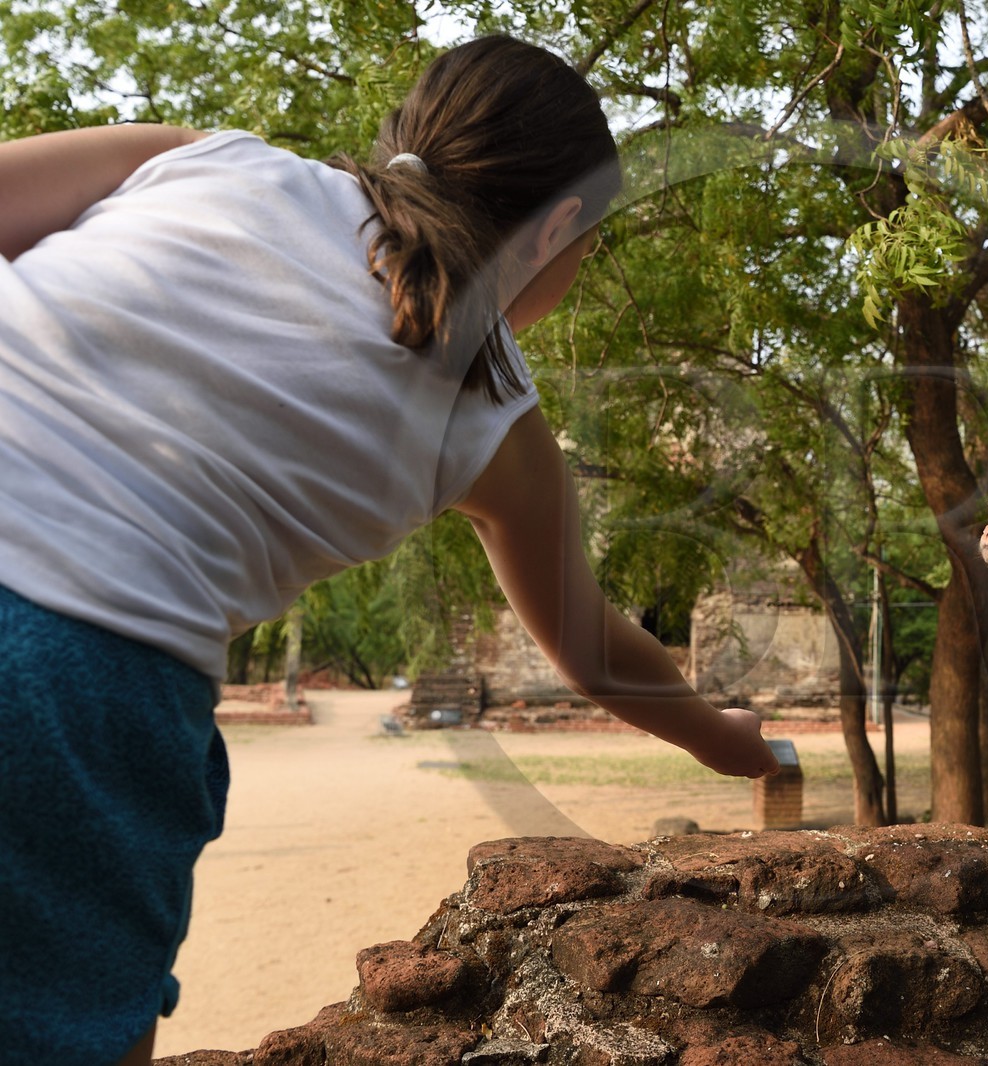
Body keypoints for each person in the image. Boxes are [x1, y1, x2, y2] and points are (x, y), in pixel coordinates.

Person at [0, 35, 780, 1066]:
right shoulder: (488, 406)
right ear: (556, 228)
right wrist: (728, 741)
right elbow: (591, 650)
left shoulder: (206, 159)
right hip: (78, 683)